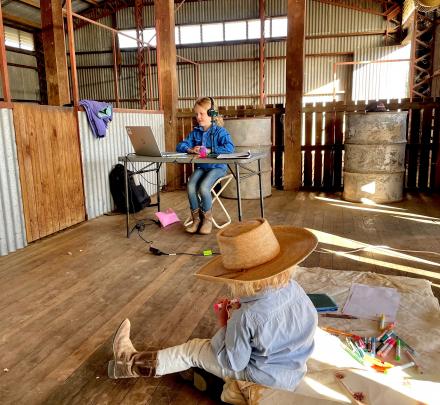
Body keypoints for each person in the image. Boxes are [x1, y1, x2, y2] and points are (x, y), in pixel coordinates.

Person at [108, 218, 318, 393]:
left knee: (193, 349)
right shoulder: (295, 289)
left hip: (261, 378)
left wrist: (226, 323)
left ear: (237, 279)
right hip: (292, 374)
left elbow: (234, 362)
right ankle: (195, 373)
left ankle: (128, 363)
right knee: (217, 349)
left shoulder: (245, 316)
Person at [176, 97, 234, 235]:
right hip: (202, 167)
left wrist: (210, 150)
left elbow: (230, 148)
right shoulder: (195, 132)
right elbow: (180, 145)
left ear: (212, 113)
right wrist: (190, 150)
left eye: (202, 113)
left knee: (203, 187)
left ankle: (207, 220)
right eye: (196, 114)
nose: (198, 117)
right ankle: (196, 219)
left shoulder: (220, 132)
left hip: (217, 168)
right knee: (190, 186)